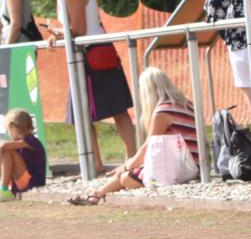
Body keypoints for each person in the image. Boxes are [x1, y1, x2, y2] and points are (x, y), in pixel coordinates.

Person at [34, 0, 136, 174]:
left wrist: (56, 34)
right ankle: (95, 164)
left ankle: (130, 161)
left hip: (95, 54)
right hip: (88, 56)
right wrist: (59, 33)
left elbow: (78, 30)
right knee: (84, 113)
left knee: (117, 110)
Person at [69, 68, 199, 205]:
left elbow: (149, 147)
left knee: (126, 177)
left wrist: (126, 166)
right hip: (192, 163)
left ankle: (97, 193)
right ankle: (97, 194)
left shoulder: (162, 111)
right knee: (129, 171)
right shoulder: (187, 105)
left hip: (180, 167)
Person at [0, 108, 47, 203]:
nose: (8, 132)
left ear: (13, 127)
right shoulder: (17, 143)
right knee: (4, 151)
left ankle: (4, 190)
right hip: (21, 182)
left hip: (32, 182)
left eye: (9, 129)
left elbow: (4, 145)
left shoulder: (31, 140)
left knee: (7, 150)